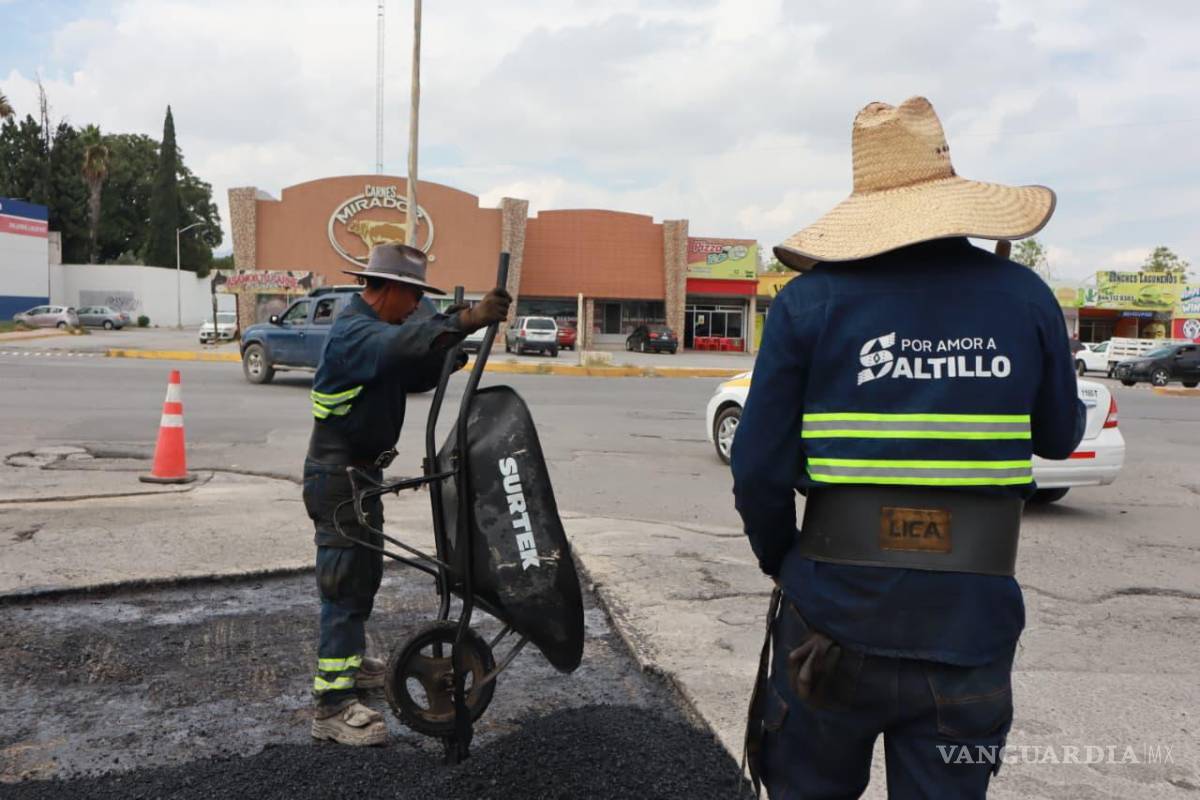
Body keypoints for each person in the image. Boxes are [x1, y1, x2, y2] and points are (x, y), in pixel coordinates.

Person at [734, 97, 1085, 797]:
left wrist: (785, 562)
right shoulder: (1024, 296)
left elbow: (756, 467)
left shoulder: (809, 303)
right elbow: (1059, 435)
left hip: (829, 619)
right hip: (968, 628)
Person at [304, 242, 511, 746]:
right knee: (345, 584)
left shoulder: (383, 331)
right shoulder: (357, 333)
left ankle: (349, 668)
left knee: (364, 577)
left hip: (360, 478)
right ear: (391, 290)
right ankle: (331, 706)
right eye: (415, 296)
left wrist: (454, 346)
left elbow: (415, 365)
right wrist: (467, 317)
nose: (418, 306)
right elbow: (401, 348)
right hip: (338, 479)